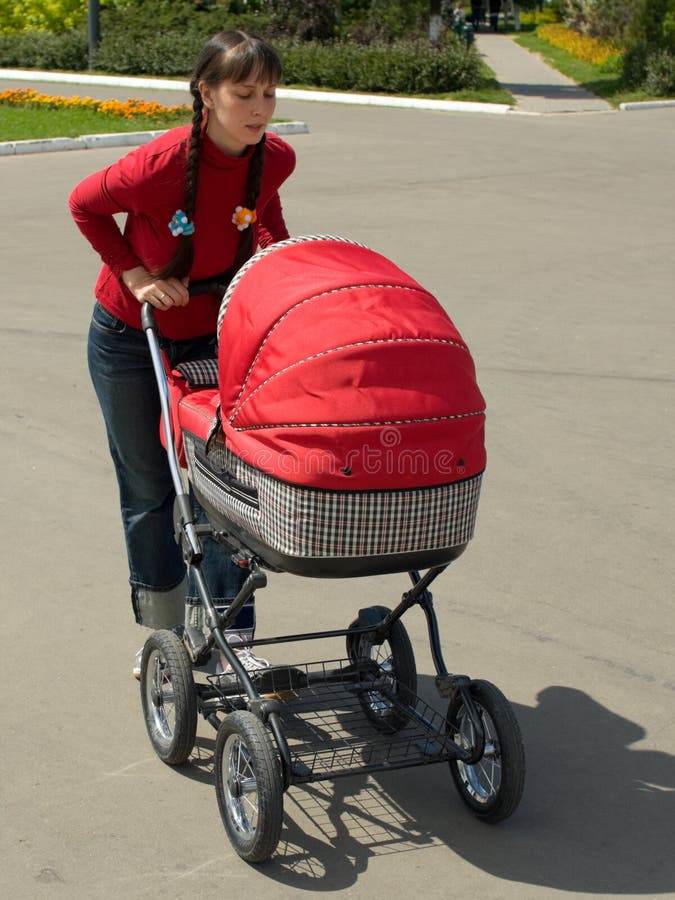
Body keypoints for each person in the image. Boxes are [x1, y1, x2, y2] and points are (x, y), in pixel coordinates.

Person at [69, 30, 296, 678]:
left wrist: (279, 271)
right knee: (150, 486)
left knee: (224, 483)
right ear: (206, 93)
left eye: (269, 93)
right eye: (243, 93)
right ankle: (163, 636)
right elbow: (84, 205)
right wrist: (136, 274)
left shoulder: (273, 157)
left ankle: (231, 637)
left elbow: (266, 219)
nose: (259, 108)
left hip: (216, 334)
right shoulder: (159, 164)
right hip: (129, 336)